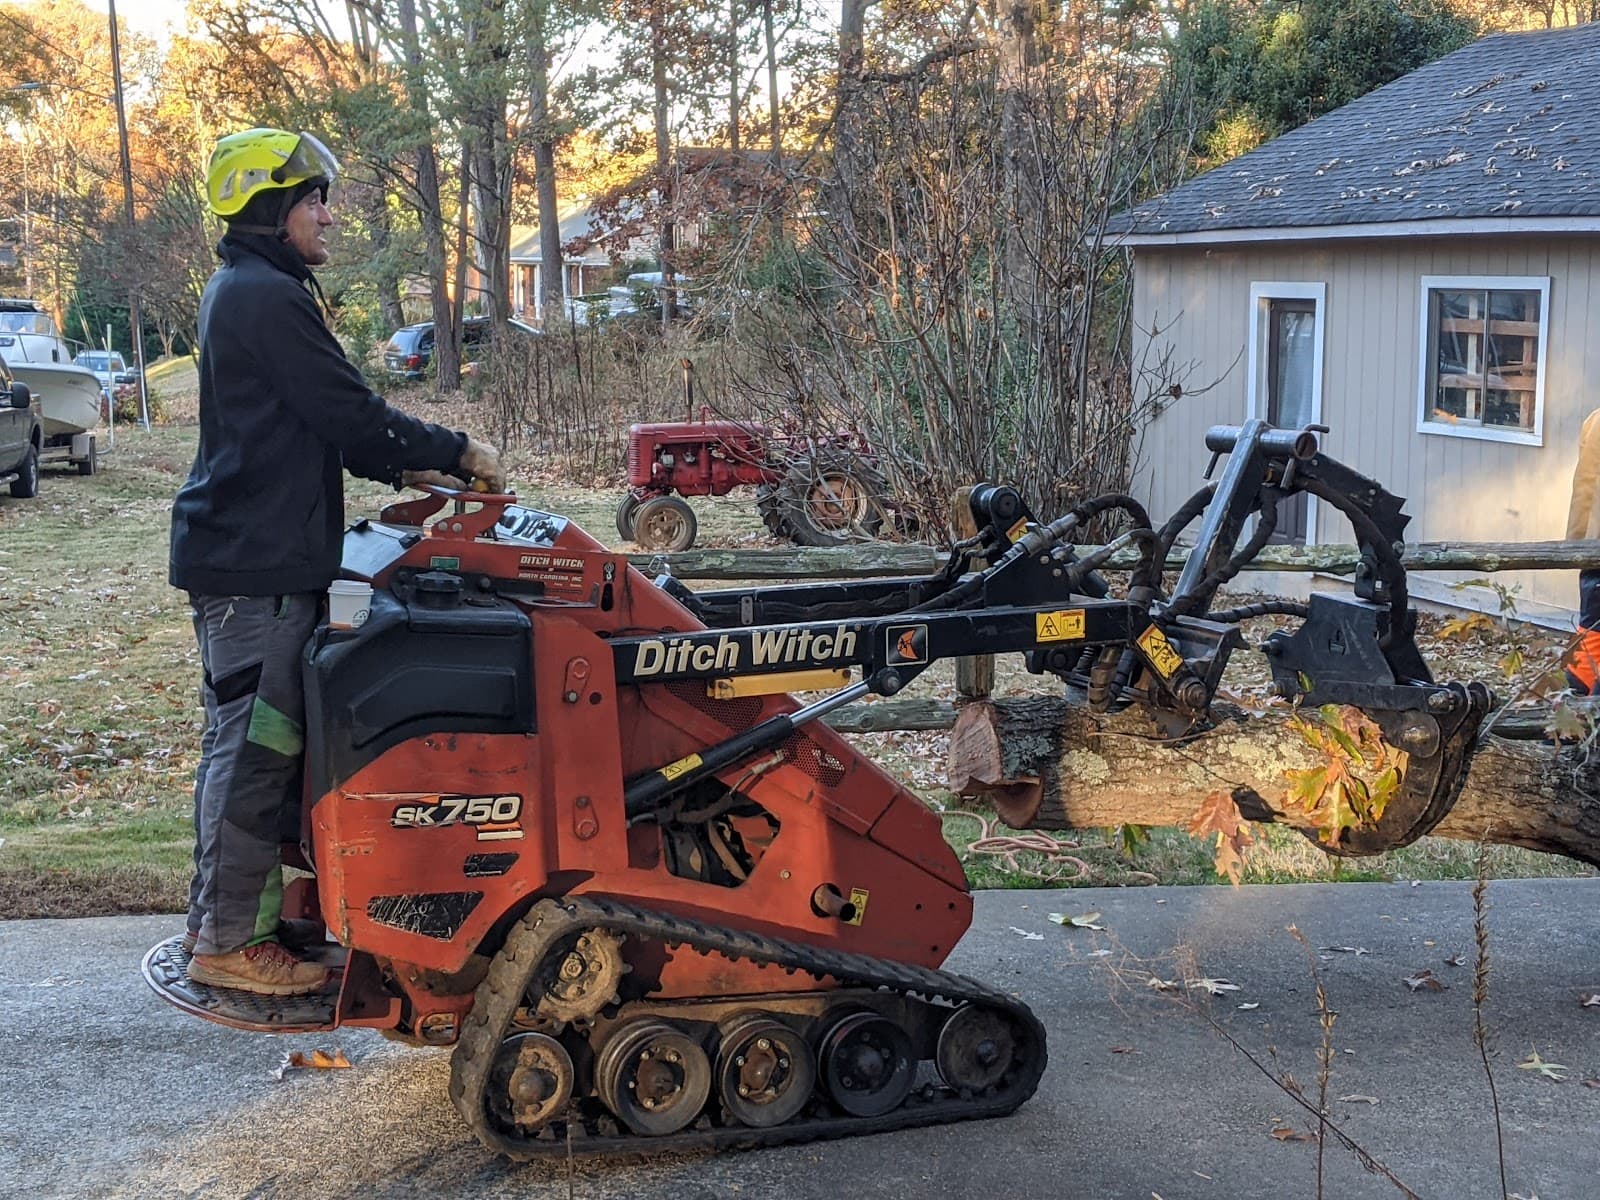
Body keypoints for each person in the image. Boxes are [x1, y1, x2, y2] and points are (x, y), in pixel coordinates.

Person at [170, 128, 504, 996]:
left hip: (261, 558)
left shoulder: (253, 288)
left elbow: (331, 428)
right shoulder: (263, 297)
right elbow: (351, 415)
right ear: (273, 210)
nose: (329, 215)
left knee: (267, 749)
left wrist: (410, 463)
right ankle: (225, 942)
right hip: (256, 568)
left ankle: (251, 921)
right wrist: (458, 450)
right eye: (314, 199)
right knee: (250, 754)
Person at [1566, 407, 1600, 693]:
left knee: (1591, 626)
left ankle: (1576, 705)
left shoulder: (1595, 418)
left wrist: (1576, 541)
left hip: (1589, 541)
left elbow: (1584, 487)